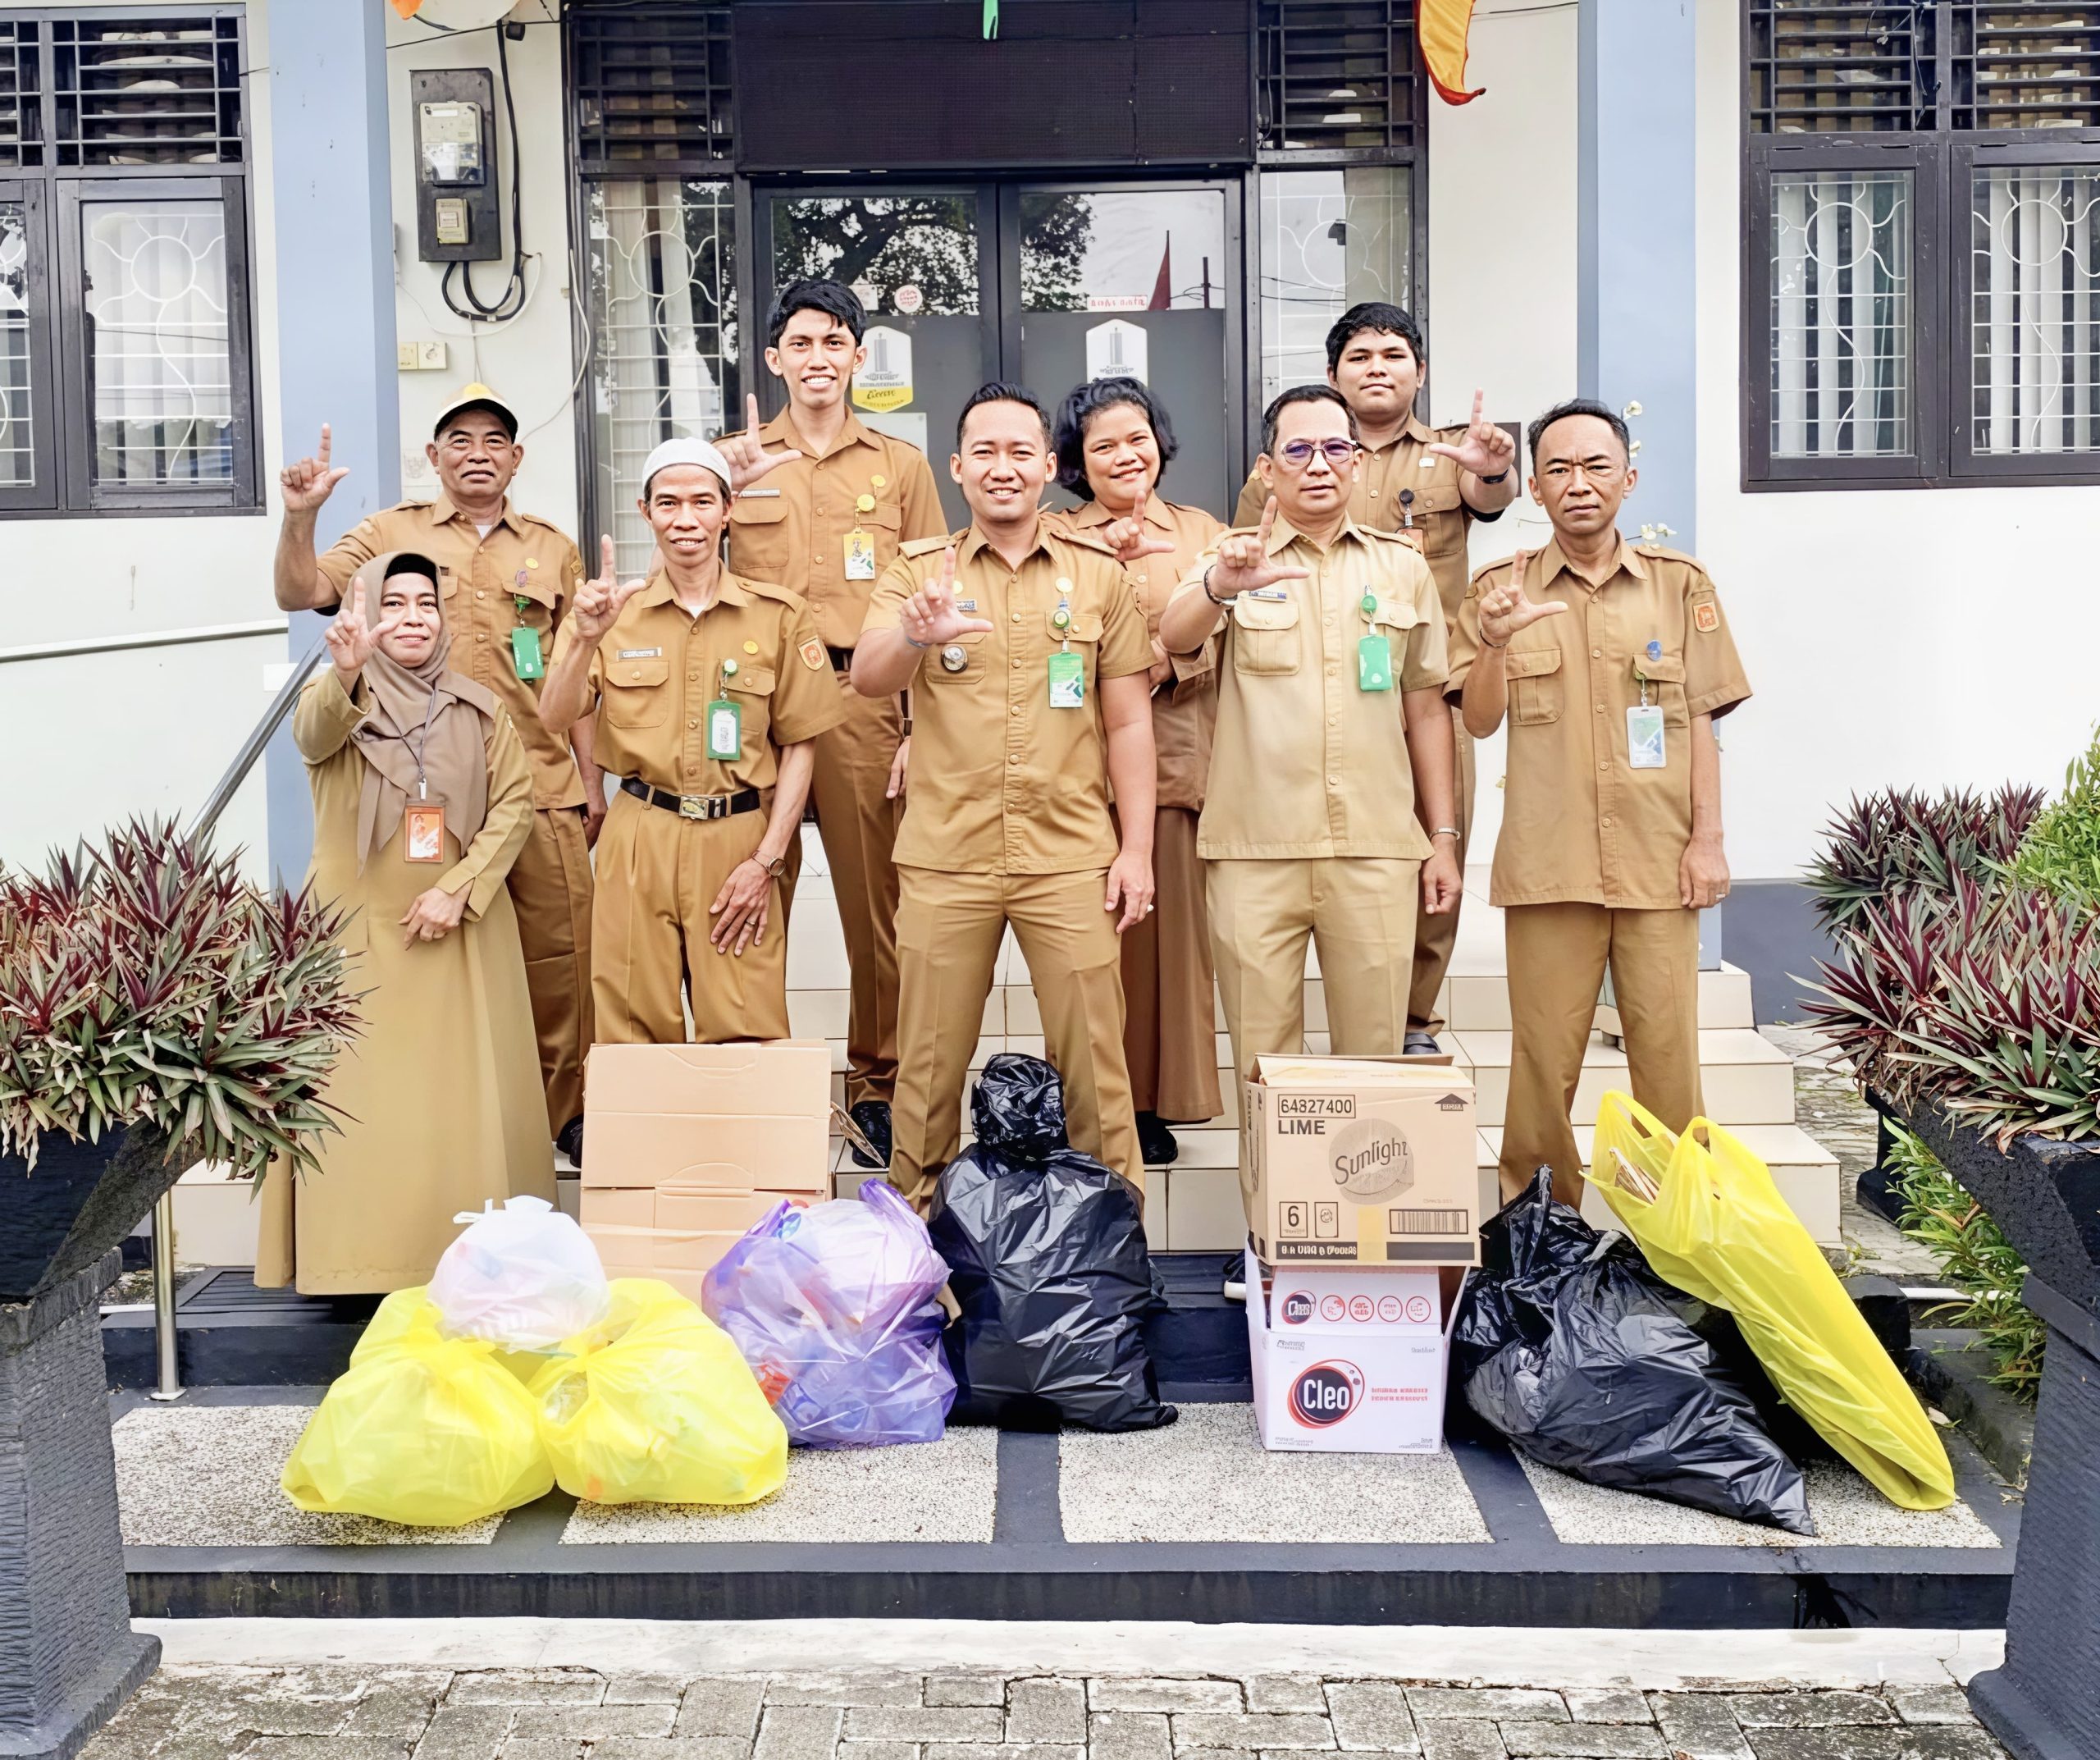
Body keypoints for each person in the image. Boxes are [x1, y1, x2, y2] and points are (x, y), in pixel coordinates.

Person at [852, 383, 1157, 1209]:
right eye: (984, 452)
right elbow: (867, 675)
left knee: (1096, 1063)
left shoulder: (1097, 577)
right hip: (947, 857)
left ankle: (1113, 1232)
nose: (1003, 467)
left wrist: (1135, 849)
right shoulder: (919, 573)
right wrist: (914, 633)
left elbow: (1129, 722)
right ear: (956, 468)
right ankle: (912, 1233)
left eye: (1021, 451)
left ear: (1049, 466)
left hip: (1070, 856)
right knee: (926, 1064)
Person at [274, 386, 597, 1163]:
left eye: (494, 441)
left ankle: (564, 1115)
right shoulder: (392, 532)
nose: (477, 454)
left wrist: (592, 782)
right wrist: (301, 517)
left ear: (516, 458)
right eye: (459, 439)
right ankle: (439, 1122)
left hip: (535, 783)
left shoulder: (553, 547)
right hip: (422, 792)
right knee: (429, 961)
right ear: (433, 455)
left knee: (562, 958)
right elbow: (301, 591)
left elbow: (577, 669)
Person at [1451, 398, 1751, 1205]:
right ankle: (1541, 1230)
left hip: (1659, 862)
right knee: (1542, 1066)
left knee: (1668, 1062)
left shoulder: (1679, 586)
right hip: (1550, 868)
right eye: (1557, 468)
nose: (1577, 483)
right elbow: (1476, 720)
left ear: (1628, 479)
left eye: (1595, 466)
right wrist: (1494, 642)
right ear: (1534, 489)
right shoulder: (1499, 589)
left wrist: (1709, 841)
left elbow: (1699, 720)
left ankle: (1676, 1232)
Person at [256, 552, 551, 1294]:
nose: (413, 618)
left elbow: (514, 806)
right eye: (393, 603)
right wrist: (346, 671)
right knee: (361, 1102)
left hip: (460, 935)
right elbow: (312, 737)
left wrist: (459, 888)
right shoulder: (336, 698)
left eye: (426, 603)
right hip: (355, 937)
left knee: (461, 1104)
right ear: (366, 615)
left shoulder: (480, 711)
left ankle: (471, 1260)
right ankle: (357, 1263)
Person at [1160, 385, 1460, 1101]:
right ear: (1267, 469)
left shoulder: (1402, 566)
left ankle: (1363, 1185)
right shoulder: (1231, 558)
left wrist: (1443, 836)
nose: (1318, 464)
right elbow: (1174, 634)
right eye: (1298, 449)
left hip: (1374, 849)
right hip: (1255, 851)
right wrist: (1221, 585)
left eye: (1333, 448)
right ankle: (1271, 1186)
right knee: (1266, 1073)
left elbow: (1425, 708)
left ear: (1356, 462)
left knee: (1374, 1067)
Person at [711, 281, 949, 1170]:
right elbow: (682, 562)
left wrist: (918, 726)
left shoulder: (900, 466)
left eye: (835, 342)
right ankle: (755, 1075)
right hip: (754, 700)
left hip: (861, 695)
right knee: (746, 889)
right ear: (774, 358)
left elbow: (934, 596)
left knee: (876, 905)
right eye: (802, 343)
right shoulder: (733, 461)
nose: (818, 358)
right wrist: (726, 490)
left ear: (857, 356)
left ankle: (877, 1082)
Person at [1235, 304, 1517, 1054]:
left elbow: (1491, 497)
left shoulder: (1452, 452)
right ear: (1333, 374)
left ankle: (1411, 1018)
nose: (1377, 368)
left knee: (1433, 850)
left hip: (1423, 688)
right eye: (1359, 356)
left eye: (1393, 355)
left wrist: (1492, 468)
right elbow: (1248, 555)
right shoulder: (1295, 453)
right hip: (1310, 688)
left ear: (1420, 371)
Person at [539, 439, 845, 1048]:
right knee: (633, 1025)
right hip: (639, 832)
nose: (686, 519)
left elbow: (801, 746)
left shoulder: (778, 615)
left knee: (745, 1026)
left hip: (738, 837)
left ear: (728, 510)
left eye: (703, 502)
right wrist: (584, 639)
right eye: (669, 503)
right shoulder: (609, 615)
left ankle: (739, 1121)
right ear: (645, 511)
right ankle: (648, 1119)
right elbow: (555, 714)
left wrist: (766, 860)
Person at [1048, 377, 1223, 1169]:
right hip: (1071, 769)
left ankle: (1149, 1101)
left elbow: (1218, 634)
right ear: (1077, 460)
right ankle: (1086, 1100)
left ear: (1159, 443)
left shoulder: (1199, 531)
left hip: (1175, 758)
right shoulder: (1055, 534)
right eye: (1105, 444)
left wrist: (1151, 661)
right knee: (1085, 951)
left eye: (1137, 438)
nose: (1126, 455)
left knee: (1160, 948)